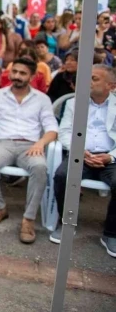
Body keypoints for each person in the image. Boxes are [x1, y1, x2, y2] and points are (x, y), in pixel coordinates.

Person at [0, 57, 58, 244]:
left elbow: (52, 128)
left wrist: (40, 143)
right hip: (3, 143)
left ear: (32, 76)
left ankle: (28, 219)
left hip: (30, 146)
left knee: (39, 168)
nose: (17, 76)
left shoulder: (42, 99)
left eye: (22, 73)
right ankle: (0, 208)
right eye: (15, 72)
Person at [50, 65, 116, 257]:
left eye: (94, 78)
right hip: (81, 154)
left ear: (110, 86)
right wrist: (81, 151)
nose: (87, 81)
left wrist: (110, 156)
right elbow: (64, 132)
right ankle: (66, 222)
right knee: (62, 176)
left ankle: (111, 233)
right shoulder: (74, 103)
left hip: (110, 156)